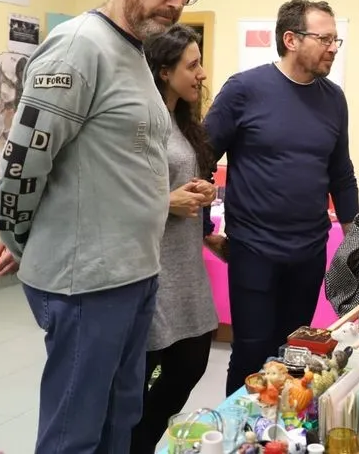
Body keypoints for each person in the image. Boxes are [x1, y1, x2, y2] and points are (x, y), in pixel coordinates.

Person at [0, 0, 203, 453]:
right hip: (87, 285)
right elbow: (21, 166)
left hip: (135, 274)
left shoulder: (135, 52)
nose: (175, 3)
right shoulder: (79, 46)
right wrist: (24, 242)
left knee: (119, 421)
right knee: (74, 434)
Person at [203, 0, 359, 396]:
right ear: (291, 39)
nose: (333, 48)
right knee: (251, 355)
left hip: (308, 252)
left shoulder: (334, 99)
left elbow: (341, 174)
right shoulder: (244, 90)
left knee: (293, 355)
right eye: (324, 39)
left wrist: (355, 239)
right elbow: (201, 157)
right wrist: (204, 227)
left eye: (336, 40)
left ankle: (281, 426)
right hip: (253, 250)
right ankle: (242, 428)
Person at [129, 23, 220, 454]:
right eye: (192, 65)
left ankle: (140, 441)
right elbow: (117, 194)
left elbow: (181, 178)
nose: (201, 73)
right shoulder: (140, 121)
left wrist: (205, 190)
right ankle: (133, 444)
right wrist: (167, 202)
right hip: (150, 267)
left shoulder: (182, 121)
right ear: (164, 71)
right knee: (139, 380)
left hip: (186, 267)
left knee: (191, 363)